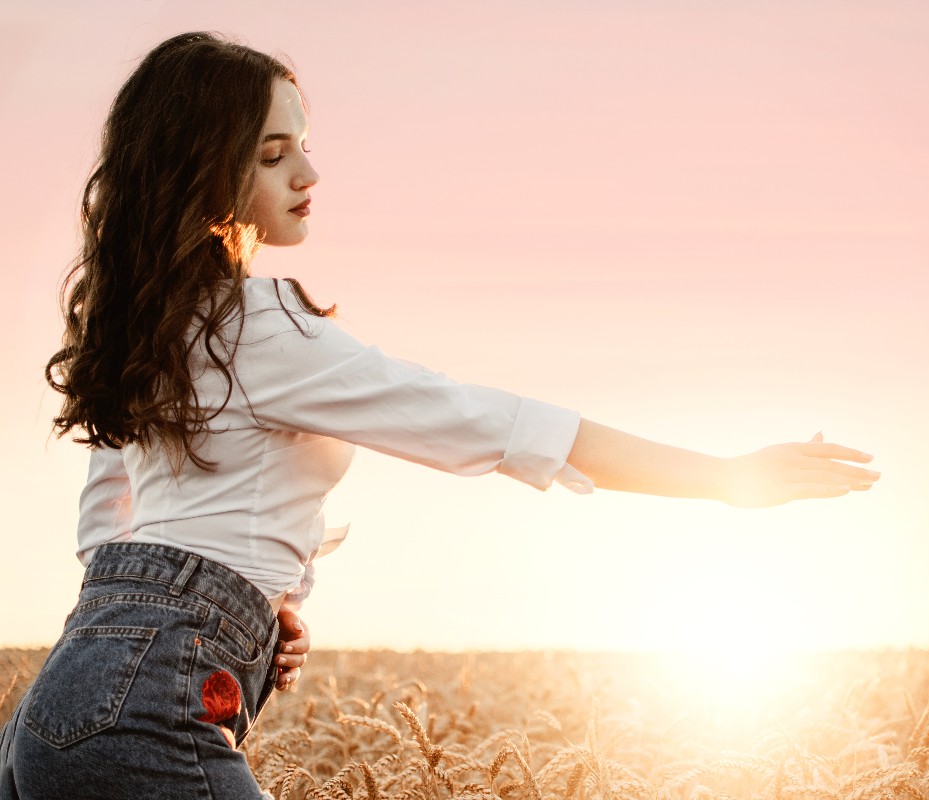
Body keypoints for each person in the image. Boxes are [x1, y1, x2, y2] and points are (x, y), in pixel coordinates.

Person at [0, 31, 879, 799]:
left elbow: (109, 532)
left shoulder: (143, 327)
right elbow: (482, 421)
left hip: (61, 703)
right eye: (272, 155)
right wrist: (722, 479)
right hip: (147, 706)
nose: (309, 174)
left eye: (303, 144)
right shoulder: (262, 327)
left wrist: (257, 609)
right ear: (202, 169)